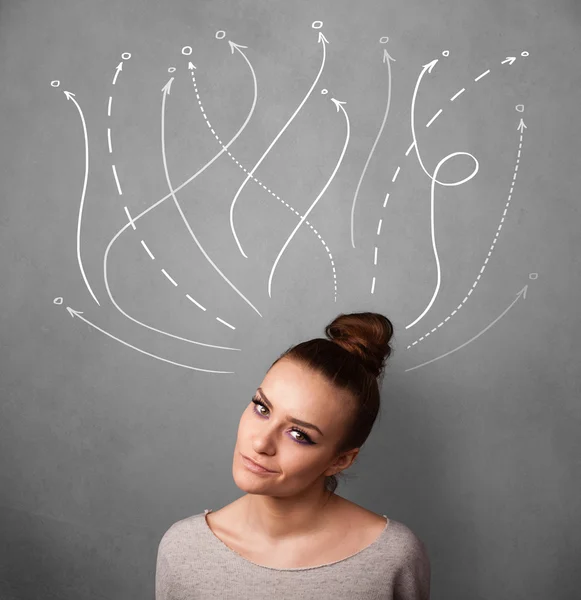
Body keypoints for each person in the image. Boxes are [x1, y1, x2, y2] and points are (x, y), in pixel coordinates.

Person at [156, 312, 431, 599]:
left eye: (299, 434)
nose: (261, 442)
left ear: (341, 460)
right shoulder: (184, 550)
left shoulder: (393, 558)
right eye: (262, 408)